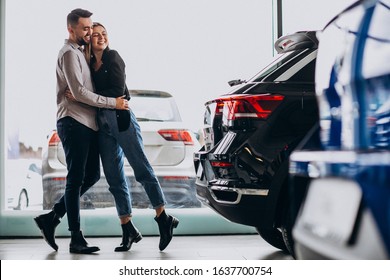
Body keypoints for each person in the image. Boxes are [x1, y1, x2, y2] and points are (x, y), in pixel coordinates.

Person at [34, 8, 129, 254]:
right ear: (71, 29)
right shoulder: (68, 53)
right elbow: (79, 93)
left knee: (91, 176)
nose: (89, 32)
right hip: (73, 121)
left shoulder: (82, 54)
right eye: (85, 28)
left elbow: (84, 89)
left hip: (87, 123)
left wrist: (87, 95)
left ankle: (52, 218)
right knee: (75, 178)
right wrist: (113, 103)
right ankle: (76, 238)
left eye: (90, 28)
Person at [85, 22, 179, 252]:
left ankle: (163, 218)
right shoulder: (88, 64)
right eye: (96, 35)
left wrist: (88, 96)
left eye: (104, 34)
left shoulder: (113, 57)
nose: (100, 37)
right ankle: (128, 229)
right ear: (89, 40)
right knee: (114, 178)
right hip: (103, 124)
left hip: (121, 119)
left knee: (141, 169)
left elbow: (118, 90)